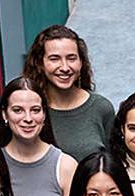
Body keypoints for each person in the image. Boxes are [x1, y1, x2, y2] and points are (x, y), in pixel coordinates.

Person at [0, 76, 77, 196]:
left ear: (44, 115)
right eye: (18, 110)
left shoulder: (65, 165)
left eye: (35, 110)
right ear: (4, 115)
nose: (28, 119)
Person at [26, 25, 115, 163]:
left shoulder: (101, 108)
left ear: (81, 62)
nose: (65, 67)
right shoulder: (29, 112)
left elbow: (115, 165)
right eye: (54, 59)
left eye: (71, 58)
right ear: (40, 64)